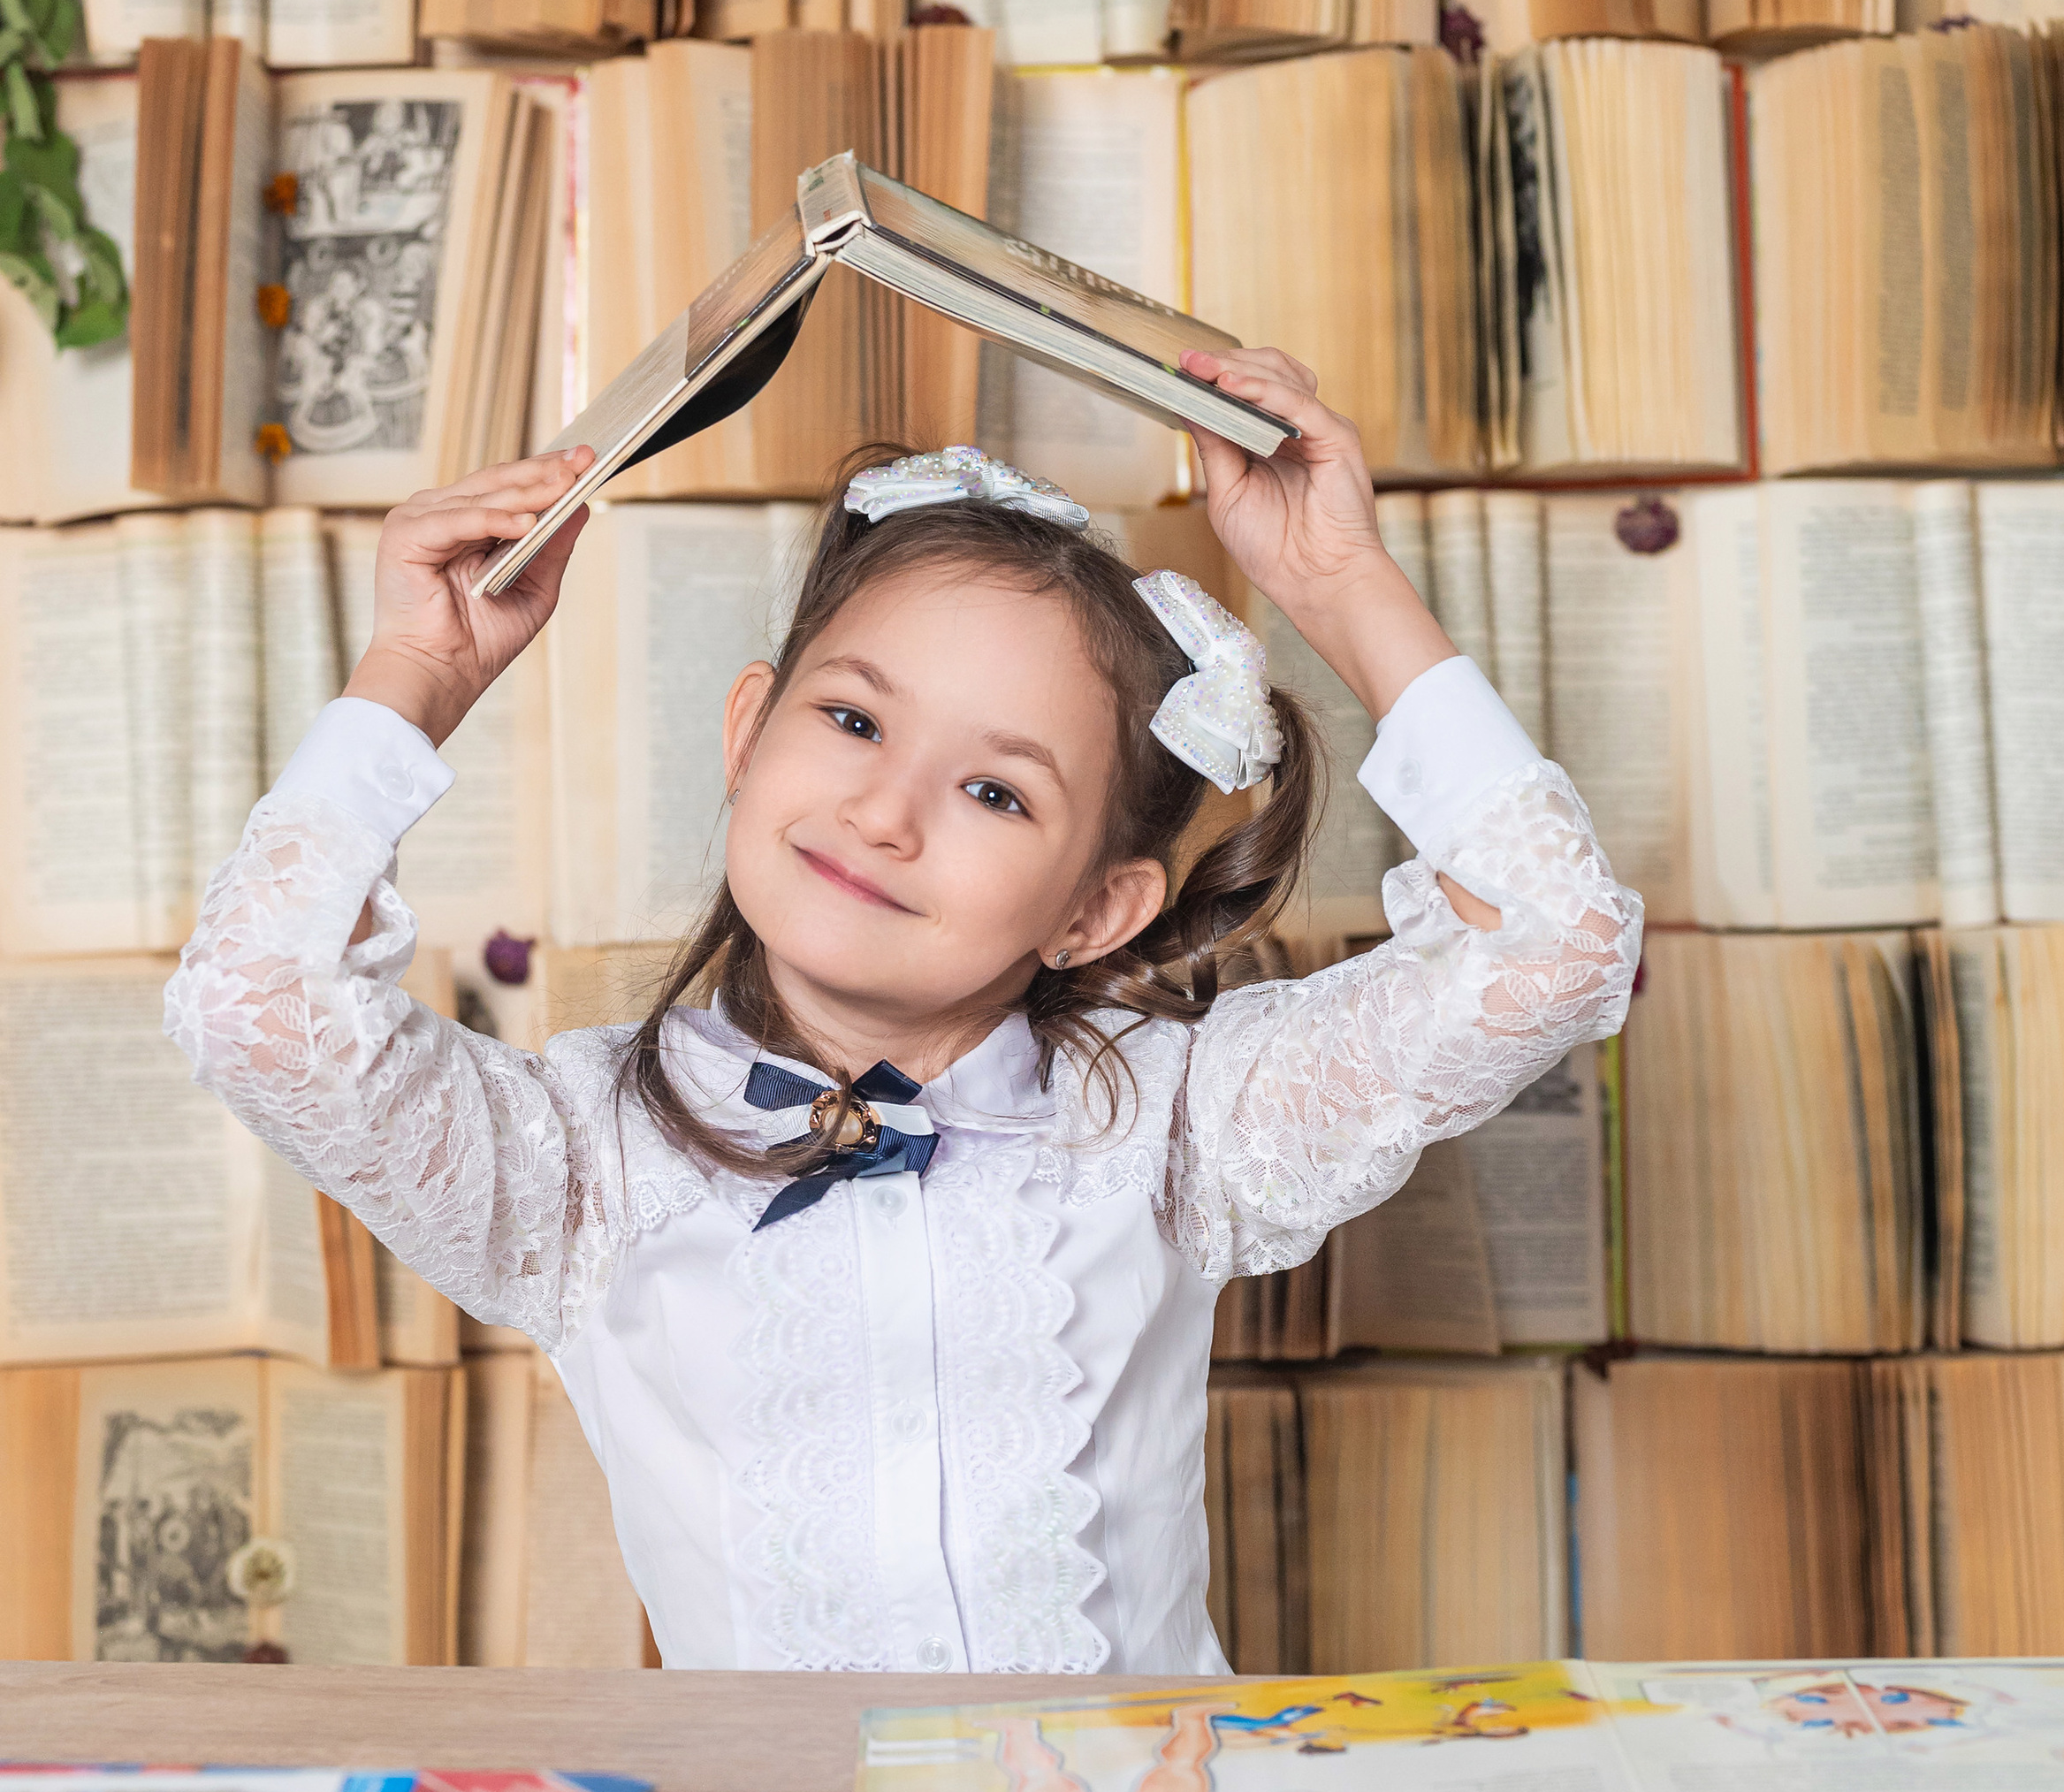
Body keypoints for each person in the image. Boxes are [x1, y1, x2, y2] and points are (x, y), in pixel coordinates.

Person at [166, 352, 1641, 1674]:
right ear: (749, 734)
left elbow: (1556, 946)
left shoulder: (1183, 1118)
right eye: (855, 720)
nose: (884, 812)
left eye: (997, 791)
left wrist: (1339, 584)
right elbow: (255, 1002)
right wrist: (414, 674)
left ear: (1097, 910)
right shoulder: (575, 1158)